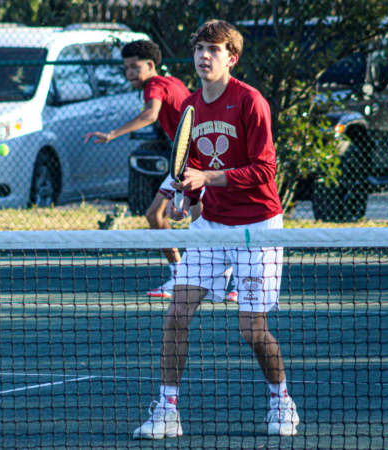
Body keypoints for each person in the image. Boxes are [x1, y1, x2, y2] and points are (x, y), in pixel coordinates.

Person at [132, 20, 299, 439]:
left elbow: (264, 169)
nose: (204, 56)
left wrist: (208, 180)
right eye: (199, 49)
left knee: (252, 330)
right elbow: (191, 165)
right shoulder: (190, 107)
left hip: (258, 227)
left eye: (214, 49)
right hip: (211, 227)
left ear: (232, 58)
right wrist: (186, 198)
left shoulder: (250, 101)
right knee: (176, 315)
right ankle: (167, 410)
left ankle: (281, 400)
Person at [83, 40, 228, 300]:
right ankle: (181, 275)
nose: (129, 73)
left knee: (201, 221)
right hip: (184, 162)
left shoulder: (154, 85)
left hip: (197, 164)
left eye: (134, 67)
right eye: (126, 68)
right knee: (155, 214)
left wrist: (111, 134)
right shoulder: (174, 82)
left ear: (150, 65)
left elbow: (151, 114)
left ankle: (220, 277)